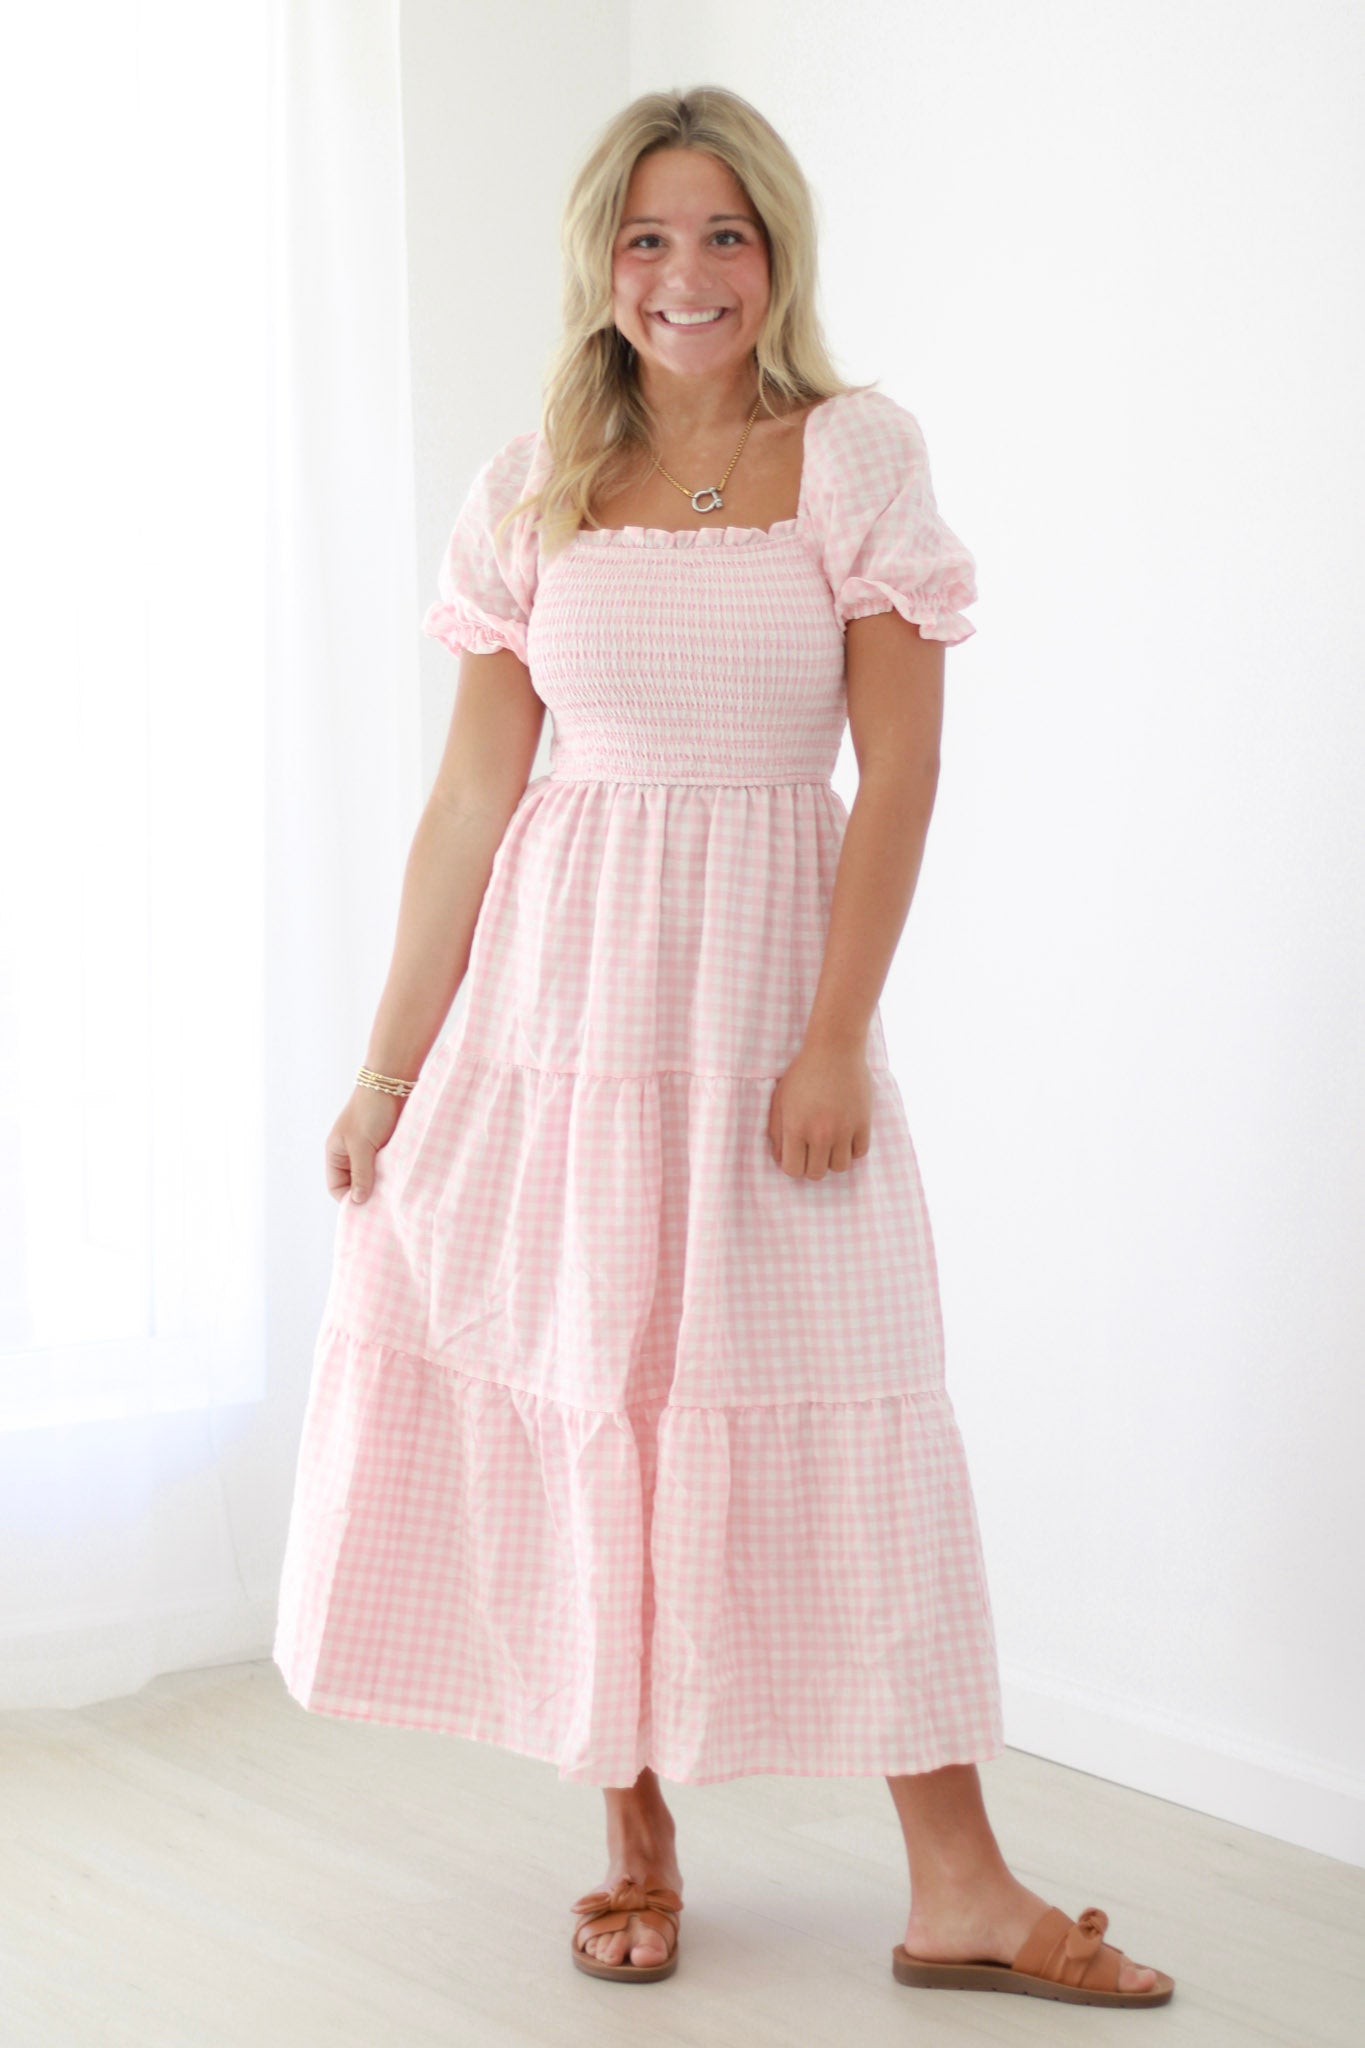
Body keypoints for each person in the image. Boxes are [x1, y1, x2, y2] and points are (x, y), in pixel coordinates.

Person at [272, 86, 1174, 2008]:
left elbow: (899, 772)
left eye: (724, 236)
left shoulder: (851, 456)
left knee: (852, 1420)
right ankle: (632, 1834)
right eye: (648, 238)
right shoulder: (532, 481)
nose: (686, 275)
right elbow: (468, 804)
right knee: (594, 1396)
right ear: (601, 263)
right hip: (558, 1025)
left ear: (776, 254)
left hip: (768, 1014)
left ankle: (957, 1882)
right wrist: (383, 1074)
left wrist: (835, 1036)